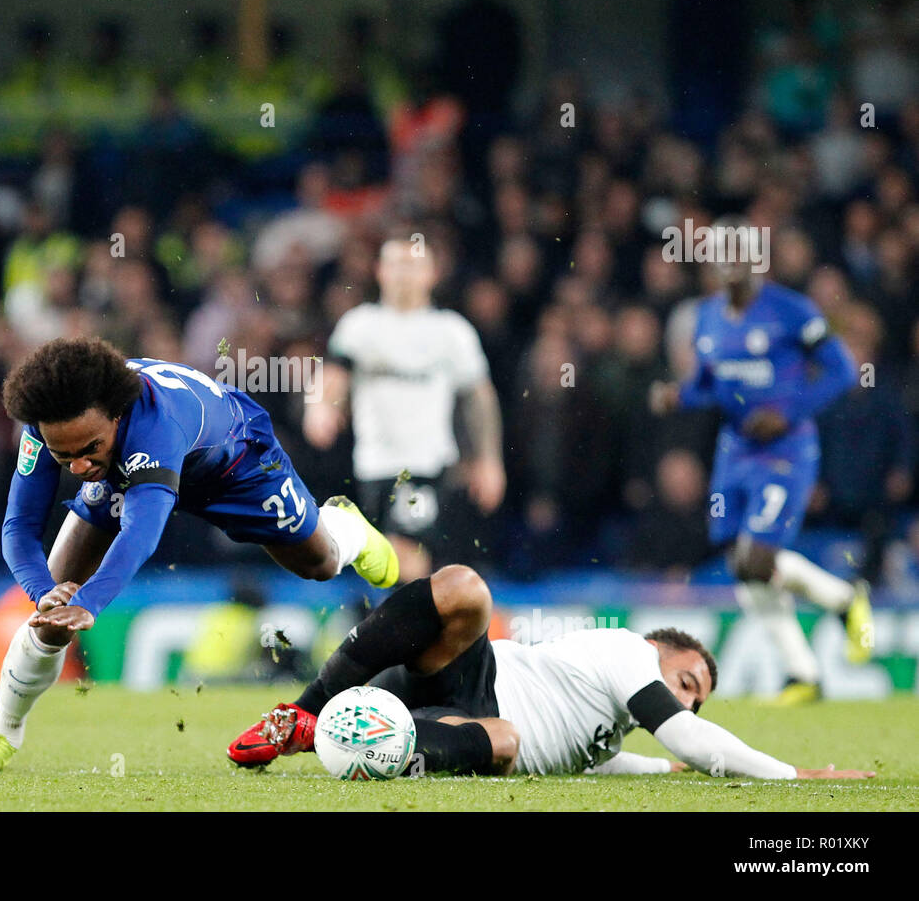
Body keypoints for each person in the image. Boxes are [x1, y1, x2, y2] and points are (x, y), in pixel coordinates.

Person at [0, 336, 399, 773]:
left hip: (236, 464)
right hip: (127, 472)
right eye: (64, 457)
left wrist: (90, 604)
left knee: (317, 564)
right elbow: (18, 527)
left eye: (89, 450)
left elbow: (140, 534)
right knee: (50, 615)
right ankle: (3, 731)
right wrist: (44, 591)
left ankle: (346, 527)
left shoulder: (154, 424)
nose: (79, 467)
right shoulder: (48, 422)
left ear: (117, 416)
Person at [228, 565, 874, 780]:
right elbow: (693, 744)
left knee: (506, 740)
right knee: (465, 588)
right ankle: (304, 711)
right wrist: (797, 778)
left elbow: (660, 762)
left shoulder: (608, 735)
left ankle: (349, 739)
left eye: (695, 700)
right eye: (687, 684)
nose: (687, 705)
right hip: (464, 685)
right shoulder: (626, 651)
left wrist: (679, 766)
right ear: (657, 650)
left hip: (458, 726)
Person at [650, 252, 872, 705]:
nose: (728, 266)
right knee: (743, 565)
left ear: (755, 262)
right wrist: (680, 396)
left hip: (786, 450)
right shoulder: (707, 316)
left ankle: (845, 600)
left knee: (756, 559)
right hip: (734, 451)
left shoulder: (792, 310)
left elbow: (843, 370)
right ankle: (804, 672)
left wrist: (787, 412)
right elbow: (712, 383)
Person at [305, 234, 506, 580]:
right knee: (385, 563)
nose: (404, 274)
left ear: (432, 274)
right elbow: (335, 373)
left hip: (424, 466)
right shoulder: (360, 325)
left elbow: (478, 396)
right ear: (380, 271)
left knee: (406, 557)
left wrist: (489, 459)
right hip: (372, 467)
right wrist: (319, 406)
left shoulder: (451, 332)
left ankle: (406, 630)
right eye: (396, 264)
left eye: (413, 266)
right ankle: (409, 624)